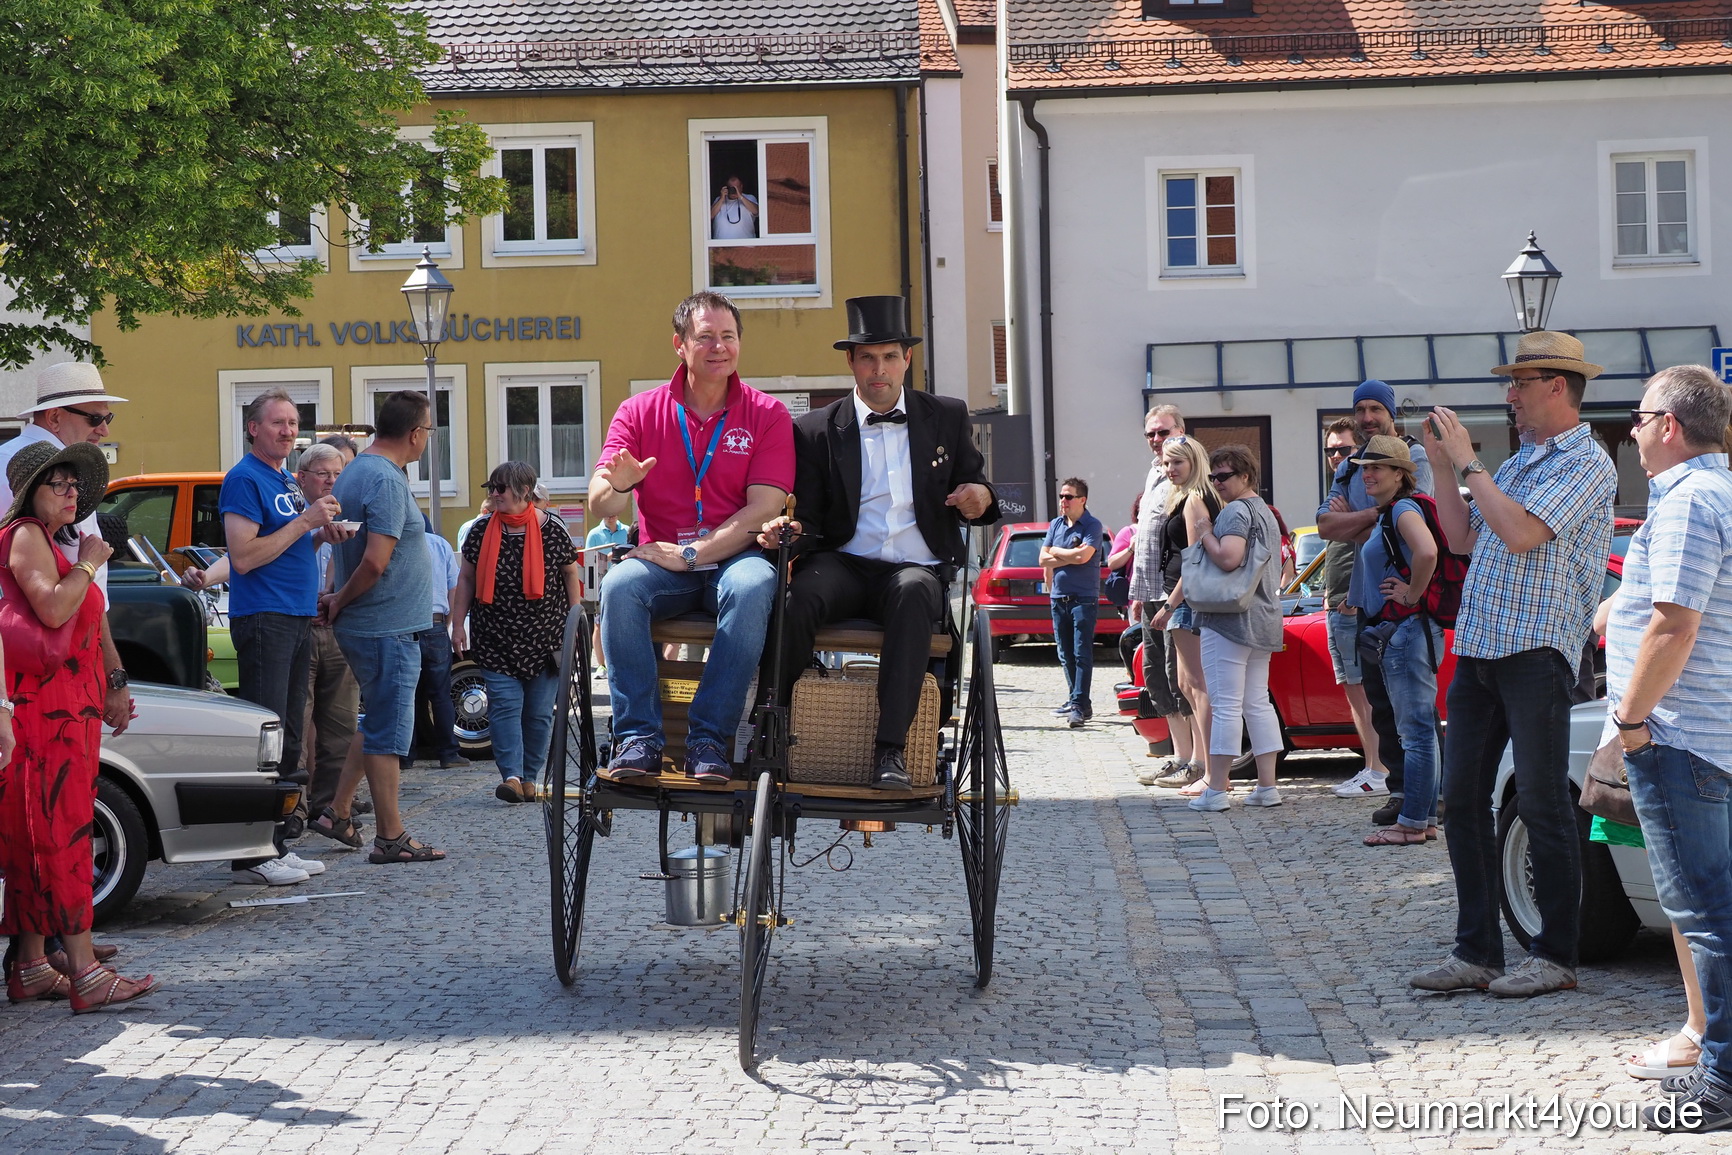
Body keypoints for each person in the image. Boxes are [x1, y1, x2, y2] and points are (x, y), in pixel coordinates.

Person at [1408, 331, 1615, 998]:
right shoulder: (1523, 460)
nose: (1510, 395)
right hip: (1480, 647)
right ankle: (1478, 951)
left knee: (1542, 798)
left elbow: (1523, 533)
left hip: (1537, 650)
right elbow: (1466, 538)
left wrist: (1470, 464)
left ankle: (1554, 954)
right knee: (1460, 797)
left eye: (1521, 384)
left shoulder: (1589, 463)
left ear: (1558, 386)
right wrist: (1444, 466)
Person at [758, 295, 997, 790]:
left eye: (890, 357)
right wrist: (793, 533)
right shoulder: (815, 429)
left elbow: (980, 490)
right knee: (797, 597)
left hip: (916, 567)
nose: (879, 369)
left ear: (906, 359)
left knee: (912, 593)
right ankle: (772, 726)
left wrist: (979, 496)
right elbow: (813, 518)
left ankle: (891, 750)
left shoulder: (946, 416)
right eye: (868, 358)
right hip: (844, 561)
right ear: (851, 362)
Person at [1598, 365, 1732, 1131]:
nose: (1634, 433)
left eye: (1640, 418)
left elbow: (1675, 624)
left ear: (1672, 424)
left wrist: (1633, 720)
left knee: (1707, 913)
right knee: (1714, 907)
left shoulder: (1690, 501)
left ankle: (1721, 1081)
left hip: (1683, 736)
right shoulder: (1713, 494)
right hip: (1706, 731)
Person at [591, 292, 794, 783]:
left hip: (733, 559)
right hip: (662, 562)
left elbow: (765, 506)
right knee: (618, 588)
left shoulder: (767, 414)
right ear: (680, 345)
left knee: (751, 588)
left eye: (728, 336)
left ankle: (708, 740)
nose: (719, 347)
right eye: (706, 337)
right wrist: (619, 484)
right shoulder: (639, 411)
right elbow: (601, 502)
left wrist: (694, 552)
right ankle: (638, 736)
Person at [0, 441, 154, 1012]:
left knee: (38, 836)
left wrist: (113, 679)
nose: (70, 493)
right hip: (46, 714)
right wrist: (91, 561)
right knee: (59, 837)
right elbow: (53, 610)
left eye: (72, 484)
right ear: (31, 496)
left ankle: (33, 964)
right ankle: (85, 972)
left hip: (66, 708)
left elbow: (85, 620)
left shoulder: (48, 541)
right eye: (56, 485)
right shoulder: (25, 536)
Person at [308, 390, 446, 865]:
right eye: (429, 430)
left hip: (375, 622)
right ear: (414, 433)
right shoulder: (385, 480)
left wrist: (335, 598)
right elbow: (373, 562)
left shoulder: (358, 471)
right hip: (385, 625)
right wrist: (340, 600)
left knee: (375, 723)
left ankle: (337, 811)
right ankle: (391, 835)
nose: (428, 438)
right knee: (388, 732)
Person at [220, 389, 351, 885]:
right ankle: (253, 849)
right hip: (265, 618)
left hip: (296, 616)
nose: (289, 431)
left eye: (294, 423)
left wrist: (322, 534)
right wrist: (306, 522)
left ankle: (273, 842)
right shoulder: (244, 478)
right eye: (278, 423)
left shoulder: (281, 478)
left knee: (290, 736)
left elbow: (291, 540)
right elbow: (245, 556)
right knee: (266, 737)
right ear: (253, 427)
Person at [1316, 380, 1434, 822]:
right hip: (1368, 603)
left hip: (1404, 607)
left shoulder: (1412, 456)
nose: (1367, 417)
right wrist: (1373, 516)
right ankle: (1403, 793)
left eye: (1375, 409)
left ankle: (1424, 802)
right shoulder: (1350, 465)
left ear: (1390, 413)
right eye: (1360, 409)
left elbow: (1419, 523)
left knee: (1414, 714)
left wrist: (1361, 519)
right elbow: (1326, 524)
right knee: (1384, 710)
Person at [0, 363, 134, 747]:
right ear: (56, 417)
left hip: (54, 667)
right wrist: (113, 675)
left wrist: (112, 674)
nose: (105, 429)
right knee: (45, 797)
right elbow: (62, 599)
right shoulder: (40, 474)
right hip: (44, 674)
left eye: (107, 417)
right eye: (95, 417)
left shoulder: (57, 472)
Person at [451, 462, 582, 804]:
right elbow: (466, 579)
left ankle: (529, 777)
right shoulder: (481, 531)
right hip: (495, 636)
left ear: (524, 491)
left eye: (501, 489)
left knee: (538, 714)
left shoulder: (553, 529)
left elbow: (570, 574)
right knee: (505, 707)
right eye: (491, 489)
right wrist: (457, 623)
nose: (494, 495)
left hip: (545, 638)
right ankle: (510, 775)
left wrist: (575, 619)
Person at [1346, 437, 1443, 847]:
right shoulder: (1393, 511)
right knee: (1419, 729)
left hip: (1406, 631)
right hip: (1404, 631)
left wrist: (1411, 593)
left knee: (1416, 732)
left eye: (1377, 468)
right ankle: (1422, 817)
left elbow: (1427, 552)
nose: (1367, 474)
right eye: (1364, 468)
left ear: (1400, 474)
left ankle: (1412, 824)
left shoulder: (1403, 508)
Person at [1186, 444, 1283, 812]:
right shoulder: (1265, 512)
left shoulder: (1234, 513)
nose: (1216, 482)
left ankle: (1217, 791)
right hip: (1263, 617)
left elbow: (1229, 557)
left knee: (1226, 704)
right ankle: (1267, 786)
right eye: (1213, 476)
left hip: (1230, 618)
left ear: (1246, 476)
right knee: (1257, 703)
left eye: (1224, 476)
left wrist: (1204, 531)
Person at [1316, 418, 1390, 797]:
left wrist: (1350, 518)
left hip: (1352, 600)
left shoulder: (1359, 488)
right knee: (1351, 685)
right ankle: (1371, 766)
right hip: (1335, 600)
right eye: (1330, 450)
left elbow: (1371, 527)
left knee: (1364, 688)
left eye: (1343, 450)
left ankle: (1378, 770)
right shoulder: (1340, 484)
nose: (1336, 457)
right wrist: (1340, 519)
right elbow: (1325, 524)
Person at [1128, 405, 1195, 783]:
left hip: (1176, 591)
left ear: (1181, 430)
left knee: (1179, 674)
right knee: (1156, 673)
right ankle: (1180, 754)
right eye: (1150, 434)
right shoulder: (1155, 471)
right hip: (1149, 588)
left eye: (1163, 432)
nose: (1156, 440)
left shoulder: (1186, 472)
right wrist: (1138, 591)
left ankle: (1193, 761)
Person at [1149, 435, 1218, 792]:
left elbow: (1195, 560)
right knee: (1185, 685)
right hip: (1182, 597)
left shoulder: (1194, 498)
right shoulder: (1185, 497)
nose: (1170, 469)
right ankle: (1201, 765)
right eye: (1166, 463)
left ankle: (1208, 770)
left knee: (1198, 686)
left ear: (1194, 463)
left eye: (1177, 462)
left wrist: (1168, 605)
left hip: (1187, 600)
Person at [1041, 478, 1104, 729]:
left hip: (1083, 599)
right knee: (1065, 654)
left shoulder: (1092, 525)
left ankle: (1078, 705)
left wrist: (1056, 552)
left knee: (1081, 653)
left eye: (1068, 497)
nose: (1063, 501)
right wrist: (1066, 556)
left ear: (1082, 500)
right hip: (1059, 598)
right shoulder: (1056, 524)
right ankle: (1078, 700)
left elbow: (1084, 556)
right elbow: (1042, 559)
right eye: (1061, 496)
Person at [405, 515, 466, 770]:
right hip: (436, 623)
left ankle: (406, 755)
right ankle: (448, 754)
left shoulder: (400, 541)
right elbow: (454, 587)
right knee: (440, 694)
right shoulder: (440, 545)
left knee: (408, 694)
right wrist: (448, 622)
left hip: (406, 624)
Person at [585, 513, 631, 674]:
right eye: (606, 514)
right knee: (599, 624)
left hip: (625, 582)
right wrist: (606, 558)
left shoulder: (627, 531)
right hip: (601, 584)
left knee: (624, 623)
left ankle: (622, 662)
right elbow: (588, 559)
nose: (610, 517)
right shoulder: (594, 534)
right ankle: (601, 664)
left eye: (613, 514)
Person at [1109, 497, 1139, 679]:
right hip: (1134, 599)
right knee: (1138, 643)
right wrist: (1131, 549)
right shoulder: (1128, 532)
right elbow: (1112, 563)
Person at [709, 174, 759, 240]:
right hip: (721, 245)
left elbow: (756, 211)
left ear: (741, 186)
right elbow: (710, 216)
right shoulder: (719, 199)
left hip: (745, 245)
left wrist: (740, 197)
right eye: (731, 188)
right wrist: (721, 199)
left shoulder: (749, 198)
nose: (733, 190)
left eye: (736, 187)